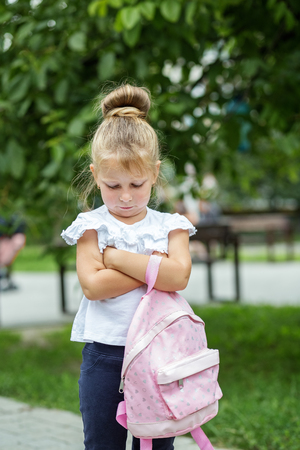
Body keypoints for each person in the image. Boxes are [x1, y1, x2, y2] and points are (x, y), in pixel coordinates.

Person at [61, 84, 196, 450]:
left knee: (156, 444)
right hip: (104, 355)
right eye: (112, 185)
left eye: (137, 184)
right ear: (95, 173)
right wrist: (155, 267)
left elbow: (179, 276)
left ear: (155, 173)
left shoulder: (172, 226)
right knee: (101, 442)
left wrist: (117, 258)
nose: (125, 196)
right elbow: (93, 286)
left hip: (159, 354)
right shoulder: (91, 225)